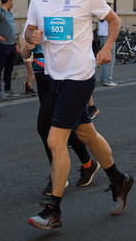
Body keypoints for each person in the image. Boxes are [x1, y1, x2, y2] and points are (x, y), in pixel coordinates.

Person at [25, 0, 134, 230]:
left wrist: (108, 46)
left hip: (79, 76)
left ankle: (53, 211)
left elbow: (113, 19)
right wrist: (31, 36)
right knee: (86, 133)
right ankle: (118, 179)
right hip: (52, 77)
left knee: (54, 141)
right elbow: (28, 32)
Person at [20, 29, 100, 196]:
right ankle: (88, 164)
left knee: (44, 127)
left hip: (62, 78)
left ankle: (58, 177)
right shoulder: (31, 23)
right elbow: (24, 52)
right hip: (42, 79)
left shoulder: (58, 19)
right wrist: (28, 46)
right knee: (67, 126)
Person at [0, 0, 18, 98]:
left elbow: (12, 29)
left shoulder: (9, 14)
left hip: (11, 45)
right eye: (13, 0)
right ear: (9, 1)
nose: (13, 2)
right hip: (2, 46)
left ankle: (8, 89)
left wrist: (16, 44)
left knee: (9, 69)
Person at [98, 8, 117, 87]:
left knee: (104, 59)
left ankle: (103, 78)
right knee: (110, 60)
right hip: (108, 38)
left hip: (102, 37)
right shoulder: (108, 16)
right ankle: (108, 80)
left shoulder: (101, 16)